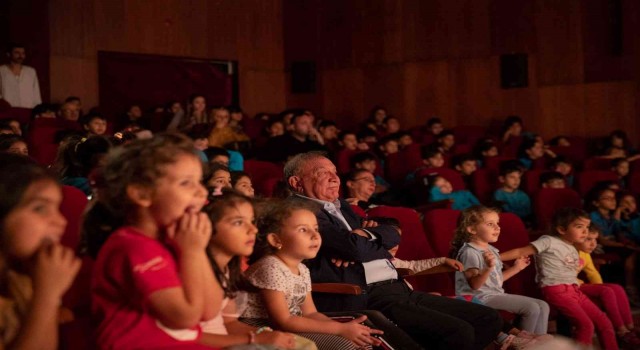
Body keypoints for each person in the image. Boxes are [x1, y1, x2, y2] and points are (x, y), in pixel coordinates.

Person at [284, 152, 503, 350]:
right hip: (365, 294)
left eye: (334, 171)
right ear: (297, 182)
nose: (335, 178)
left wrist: (366, 237)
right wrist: (368, 242)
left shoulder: (341, 206)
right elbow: (354, 249)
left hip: (398, 287)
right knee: (458, 331)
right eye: (323, 173)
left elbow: (393, 234)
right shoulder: (301, 211)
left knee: (489, 318)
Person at [86, 133, 221, 349]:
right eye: (186, 183)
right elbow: (185, 317)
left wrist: (197, 249)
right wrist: (192, 252)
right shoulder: (133, 246)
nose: (201, 191)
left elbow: (210, 310)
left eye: (199, 182)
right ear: (142, 194)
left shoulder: (174, 240)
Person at [242, 199, 383, 349]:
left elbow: (310, 313)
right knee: (345, 346)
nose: (315, 236)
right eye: (303, 229)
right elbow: (283, 320)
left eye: (316, 229)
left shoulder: (302, 269)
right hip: (260, 327)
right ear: (276, 240)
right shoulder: (270, 267)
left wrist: (346, 329)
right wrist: (340, 330)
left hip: (290, 324)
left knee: (360, 343)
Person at [500, 208, 618, 349]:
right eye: (579, 227)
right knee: (585, 325)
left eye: (586, 227)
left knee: (603, 321)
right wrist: (496, 257)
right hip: (556, 289)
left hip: (574, 290)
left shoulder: (573, 246)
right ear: (562, 229)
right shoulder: (548, 241)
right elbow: (521, 251)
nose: (585, 231)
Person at [199, 191, 300, 349]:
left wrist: (265, 333)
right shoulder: (194, 272)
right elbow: (185, 337)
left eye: (252, 221)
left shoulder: (227, 270)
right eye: (238, 222)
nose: (253, 229)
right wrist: (253, 339)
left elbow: (229, 323)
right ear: (207, 227)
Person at [0, 153, 81, 349]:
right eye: (40, 209)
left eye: (57, 208)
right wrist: (47, 296)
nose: (61, 221)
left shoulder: (21, 276)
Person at [451, 206, 550, 335]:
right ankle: (523, 344)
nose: (497, 227)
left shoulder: (492, 250)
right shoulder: (469, 252)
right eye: (490, 224)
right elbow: (475, 285)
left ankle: (540, 345)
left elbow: (495, 281)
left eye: (497, 223)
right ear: (472, 229)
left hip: (493, 294)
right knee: (531, 307)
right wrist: (488, 268)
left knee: (543, 305)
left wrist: (516, 268)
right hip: (477, 298)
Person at [575, 225, 640, 347]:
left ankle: (630, 327)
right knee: (607, 291)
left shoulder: (585, 254)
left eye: (595, 240)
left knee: (617, 287)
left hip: (579, 284)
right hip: (571, 285)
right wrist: (601, 290)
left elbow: (593, 273)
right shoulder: (569, 252)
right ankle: (621, 330)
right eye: (588, 239)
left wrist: (599, 287)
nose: (593, 244)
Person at [258, 111, 325, 163]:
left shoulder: (313, 144)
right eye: (304, 123)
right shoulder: (278, 141)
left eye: (311, 123)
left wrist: (320, 140)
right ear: (292, 127)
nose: (309, 126)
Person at [0, 43, 41, 108]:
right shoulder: (2, 71)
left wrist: (37, 109)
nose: (20, 56)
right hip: (8, 111)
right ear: (8, 54)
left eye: (23, 53)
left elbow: (36, 94)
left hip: (27, 109)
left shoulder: (31, 72)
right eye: (17, 53)